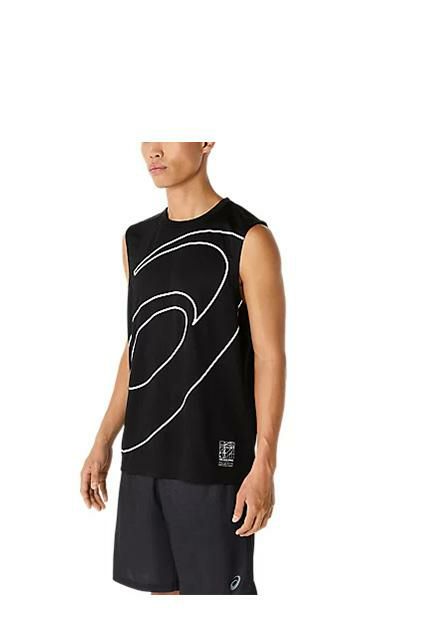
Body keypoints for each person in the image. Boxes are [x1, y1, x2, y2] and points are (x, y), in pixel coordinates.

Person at [80, 142, 286, 595]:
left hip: (214, 459)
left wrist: (264, 462)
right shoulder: (136, 241)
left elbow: (270, 356)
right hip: (144, 457)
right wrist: (103, 439)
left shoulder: (247, 238)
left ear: (206, 140)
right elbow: (138, 348)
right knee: (163, 597)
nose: (153, 150)